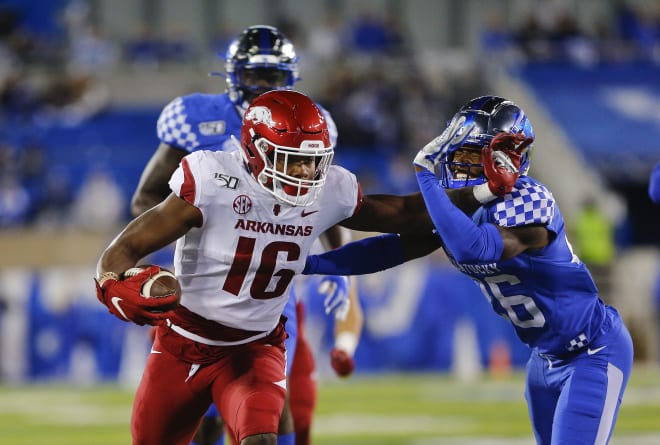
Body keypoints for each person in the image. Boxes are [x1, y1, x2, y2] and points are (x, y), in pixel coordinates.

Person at [98, 90, 493, 445]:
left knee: (262, 437)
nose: (305, 173)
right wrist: (112, 287)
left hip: (256, 347)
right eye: (292, 160)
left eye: (311, 162)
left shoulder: (329, 191)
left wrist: (483, 192)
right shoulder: (212, 180)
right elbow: (126, 247)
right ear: (255, 150)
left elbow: (404, 213)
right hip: (181, 341)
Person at [302, 95, 634, 445]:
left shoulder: (530, 201)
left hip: (592, 350)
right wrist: (311, 264)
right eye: (458, 154)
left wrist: (424, 173)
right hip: (545, 358)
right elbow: (390, 249)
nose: (459, 165)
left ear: (505, 157)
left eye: (471, 156)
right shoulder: (471, 202)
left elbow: (472, 247)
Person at [129, 25, 361, 445]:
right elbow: (147, 198)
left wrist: (338, 266)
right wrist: (191, 244)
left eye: (273, 77)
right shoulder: (194, 117)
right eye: (256, 75)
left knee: (281, 398)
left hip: (271, 279)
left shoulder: (310, 121)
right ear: (233, 75)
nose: (263, 85)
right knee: (206, 415)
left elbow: (323, 199)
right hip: (209, 282)